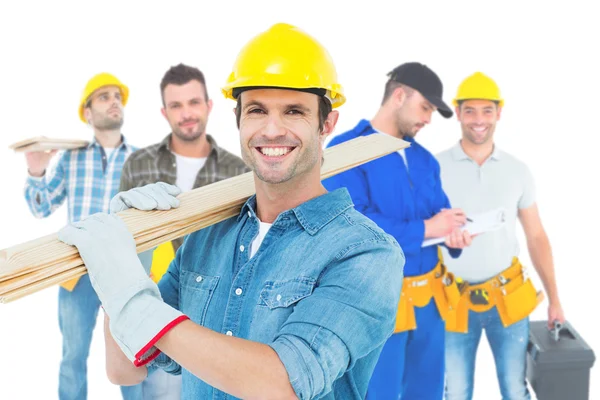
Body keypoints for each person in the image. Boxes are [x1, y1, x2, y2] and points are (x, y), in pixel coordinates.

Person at [57, 23, 406, 399]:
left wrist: (142, 308)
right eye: (256, 110)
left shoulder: (366, 253)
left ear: (327, 124)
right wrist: (133, 255)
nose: (272, 130)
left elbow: (283, 383)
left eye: (293, 111)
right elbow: (125, 369)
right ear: (238, 119)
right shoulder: (208, 235)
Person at [322, 62, 473, 399]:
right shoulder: (345, 152)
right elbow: (354, 227)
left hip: (430, 301)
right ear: (399, 95)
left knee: (428, 391)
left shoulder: (424, 159)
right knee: (379, 391)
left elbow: (441, 214)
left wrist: (454, 235)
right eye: (425, 107)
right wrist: (426, 228)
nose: (428, 119)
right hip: (377, 302)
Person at [119, 63, 249, 399]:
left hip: (213, 317)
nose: (186, 113)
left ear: (209, 105)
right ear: (164, 112)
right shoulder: (139, 164)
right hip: (150, 308)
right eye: (176, 105)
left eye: (193, 102)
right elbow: (123, 242)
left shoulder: (240, 171)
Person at [436, 71, 566, 400]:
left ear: (499, 113)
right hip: (453, 301)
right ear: (458, 113)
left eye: (487, 111)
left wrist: (554, 299)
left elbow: (537, 237)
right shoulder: (434, 168)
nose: (479, 120)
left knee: (514, 389)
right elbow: (420, 234)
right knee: (456, 393)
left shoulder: (517, 171)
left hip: (507, 299)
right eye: (470, 111)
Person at [23, 73, 142, 399]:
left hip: (126, 274)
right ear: (88, 113)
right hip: (77, 273)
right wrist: (37, 170)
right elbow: (42, 207)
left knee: (132, 356)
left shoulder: (141, 158)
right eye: (104, 96)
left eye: (117, 95)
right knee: (73, 356)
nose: (114, 101)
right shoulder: (71, 158)